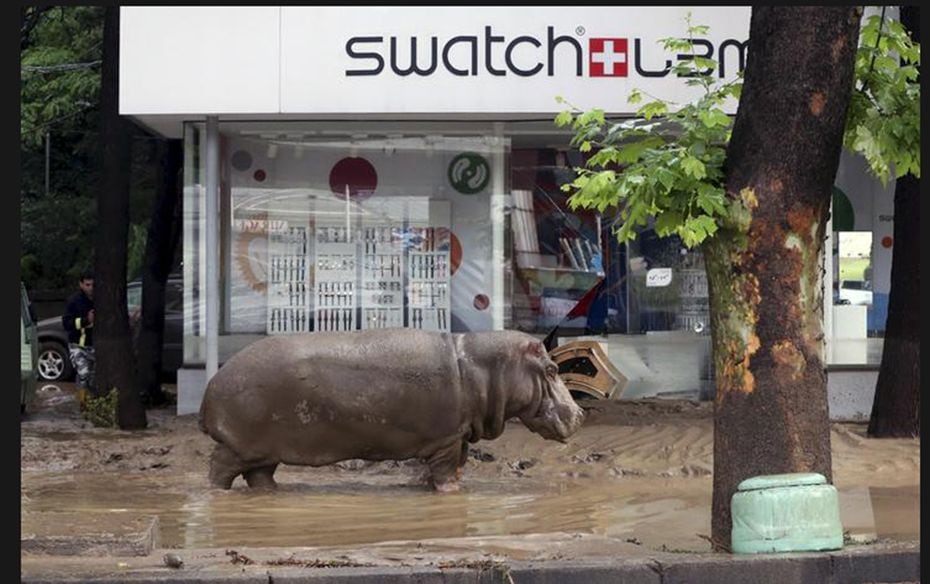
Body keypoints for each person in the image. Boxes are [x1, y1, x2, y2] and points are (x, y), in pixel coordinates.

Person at [63, 270, 96, 404]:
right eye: (87, 285)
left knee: (93, 378)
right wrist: (86, 321)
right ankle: (83, 405)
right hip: (78, 346)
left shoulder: (101, 298)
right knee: (83, 374)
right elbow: (66, 323)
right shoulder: (74, 301)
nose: (91, 288)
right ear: (81, 284)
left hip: (96, 345)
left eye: (93, 285)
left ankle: (92, 403)